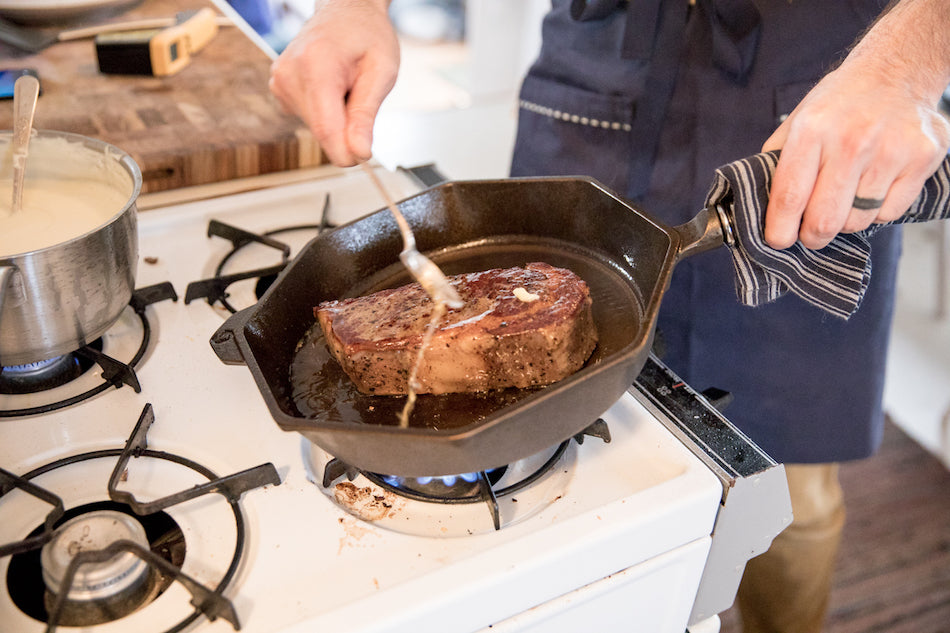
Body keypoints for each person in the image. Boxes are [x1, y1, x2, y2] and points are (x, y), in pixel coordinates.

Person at [269, 1, 950, 631]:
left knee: (788, 494)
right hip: (597, 93)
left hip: (823, 115)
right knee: (557, 476)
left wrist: (906, 65)